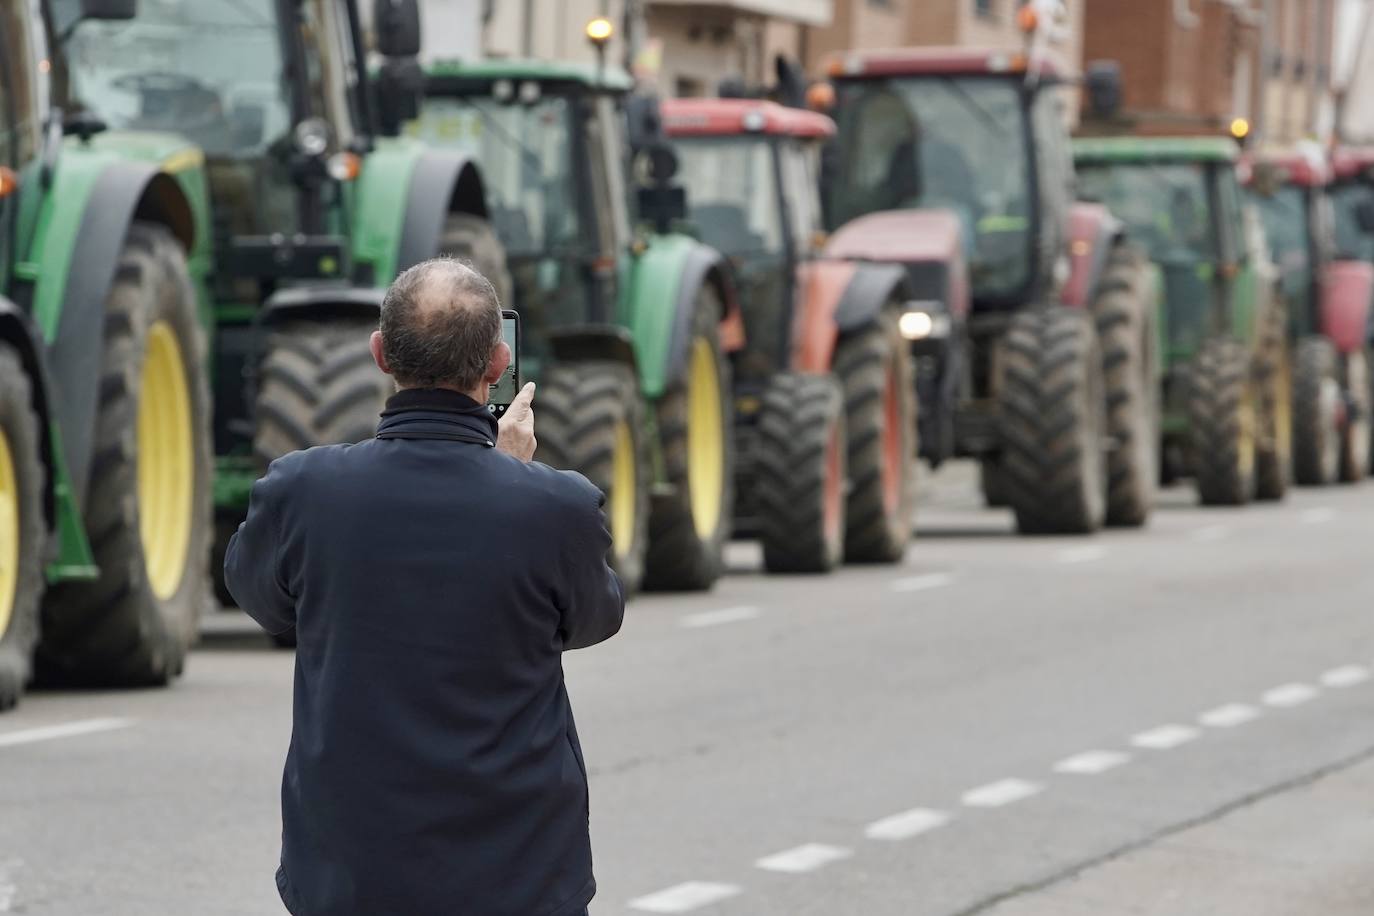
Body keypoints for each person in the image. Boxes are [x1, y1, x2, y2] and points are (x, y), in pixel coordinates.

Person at [224, 258, 624, 916]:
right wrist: (511, 476)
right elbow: (593, 619)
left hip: (350, 875)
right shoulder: (556, 506)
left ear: (380, 354)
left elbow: (261, 599)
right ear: (498, 364)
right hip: (518, 874)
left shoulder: (303, 490)